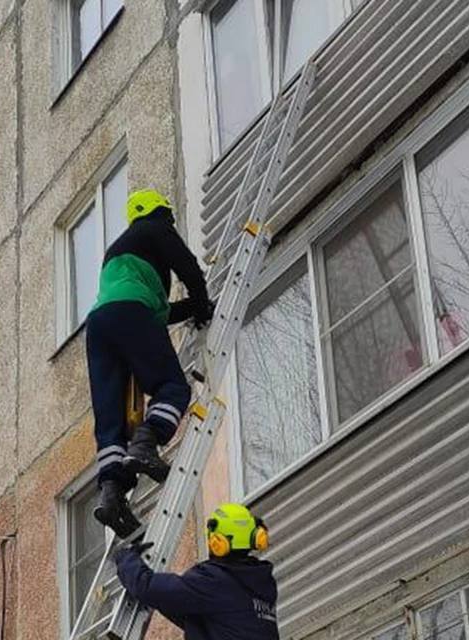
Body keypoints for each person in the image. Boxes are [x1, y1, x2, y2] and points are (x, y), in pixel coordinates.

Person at [87, 189, 213, 538]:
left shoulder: (121, 255)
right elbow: (188, 266)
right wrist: (202, 304)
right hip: (130, 312)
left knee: (111, 420)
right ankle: (147, 443)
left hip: (99, 326)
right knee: (172, 387)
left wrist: (192, 310)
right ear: (160, 210)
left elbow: (156, 312)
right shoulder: (154, 227)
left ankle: (111, 494)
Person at [115, 503, 280, 639]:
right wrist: (162, 600)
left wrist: (126, 559)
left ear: (218, 542)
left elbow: (147, 587)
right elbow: (196, 616)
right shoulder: (260, 585)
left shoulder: (214, 581)